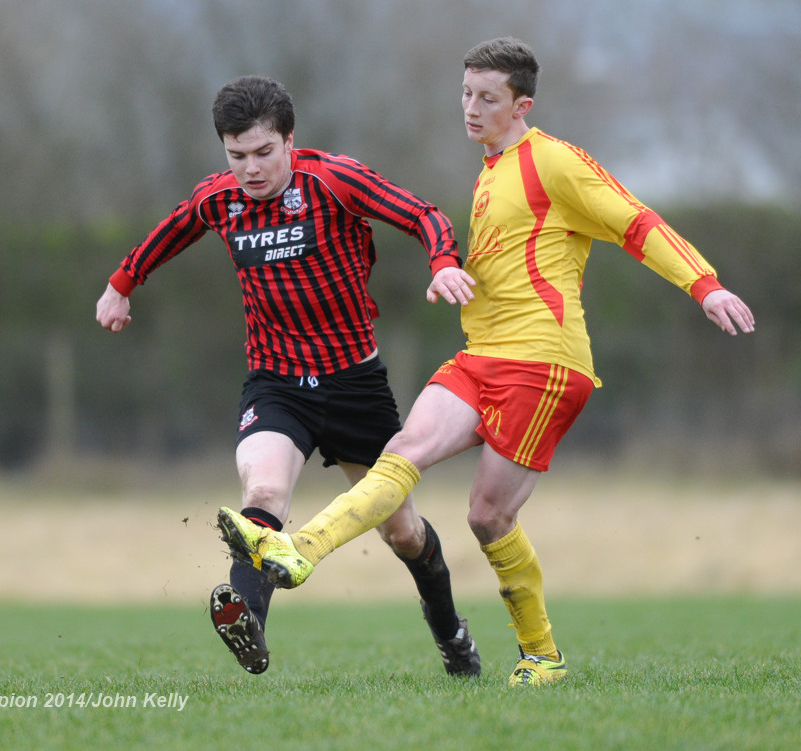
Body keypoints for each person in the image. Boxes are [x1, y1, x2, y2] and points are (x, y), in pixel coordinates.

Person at [217, 39, 756, 687]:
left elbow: (634, 222)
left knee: (486, 516)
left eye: (487, 98)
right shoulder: (491, 167)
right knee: (402, 453)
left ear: (521, 104)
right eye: (466, 93)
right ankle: (295, 552)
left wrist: (706, 283)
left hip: (545, 363)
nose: (470, 108)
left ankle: (543, 655)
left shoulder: (555, 162)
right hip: (481, 357)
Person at [96, 75, 481, 677]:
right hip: (276, 382)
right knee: (264, 496)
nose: (250, 168)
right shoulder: (218, 198)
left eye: (262, 152)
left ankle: (453, 637)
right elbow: (172, 230)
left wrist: (442, 262)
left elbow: (421, 214)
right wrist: (122, 284)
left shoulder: (334, 180)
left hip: (355, 384)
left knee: (403, 533)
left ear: (289, 141)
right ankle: (246, 619)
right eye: (236, 155)